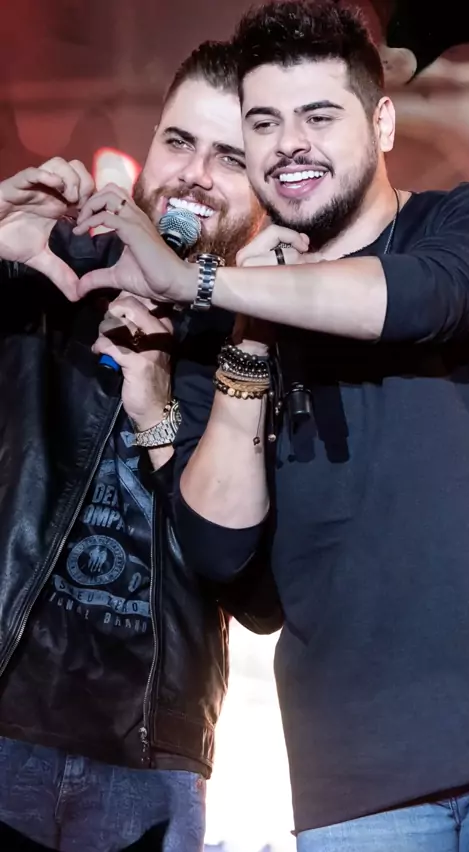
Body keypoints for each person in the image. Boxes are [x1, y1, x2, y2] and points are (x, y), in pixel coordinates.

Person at [75, 1, 469, 850]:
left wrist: (203, 284)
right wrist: (247, 335)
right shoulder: (228, 327)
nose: (290, 143)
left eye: (319, 117)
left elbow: (425, 298)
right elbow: (234, 570)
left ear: (382, 123)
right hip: (360, 789)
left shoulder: (454, 224)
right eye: (264, 123)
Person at [0, 39, 280, 852]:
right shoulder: (47, 273)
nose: (195, 175)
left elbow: (262, 597)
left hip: (150, 760)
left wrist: (161, 408)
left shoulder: (262, 348)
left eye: (230, 157)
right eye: (179, 142)